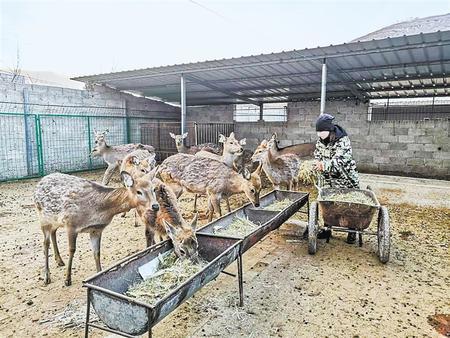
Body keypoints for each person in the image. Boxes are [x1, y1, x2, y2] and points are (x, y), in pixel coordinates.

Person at [312, 113, 360, 244]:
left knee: (349, 205)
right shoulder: (321, 141)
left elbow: (340, 162)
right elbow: (317, 153)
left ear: (329, 129)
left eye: (321, 131)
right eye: (318, 131)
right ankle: (327, 229)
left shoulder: (343, 140)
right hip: (329, 180)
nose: (319, 134)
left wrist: (323, 165)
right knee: (328, 204)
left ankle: (352, 232)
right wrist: (316, 161)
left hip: (346, 179)